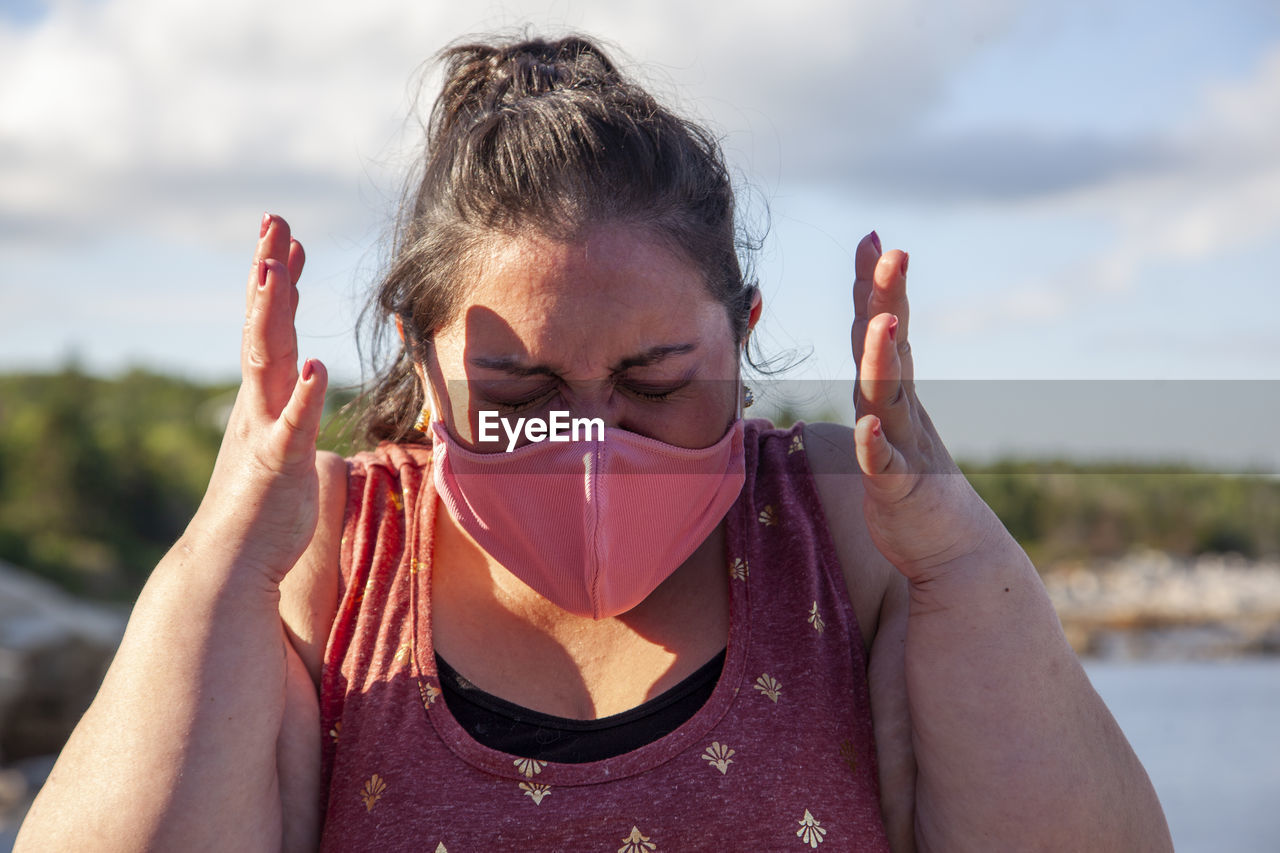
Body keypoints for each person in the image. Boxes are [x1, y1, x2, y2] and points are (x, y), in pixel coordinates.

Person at [16, 34, 1172, 851]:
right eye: (518, 390)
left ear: (741, 337)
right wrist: (223, 556)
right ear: (424, 368)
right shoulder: (329, 553)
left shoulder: (845, 534)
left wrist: (959, 558)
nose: (587, 442)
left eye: (651, 383)